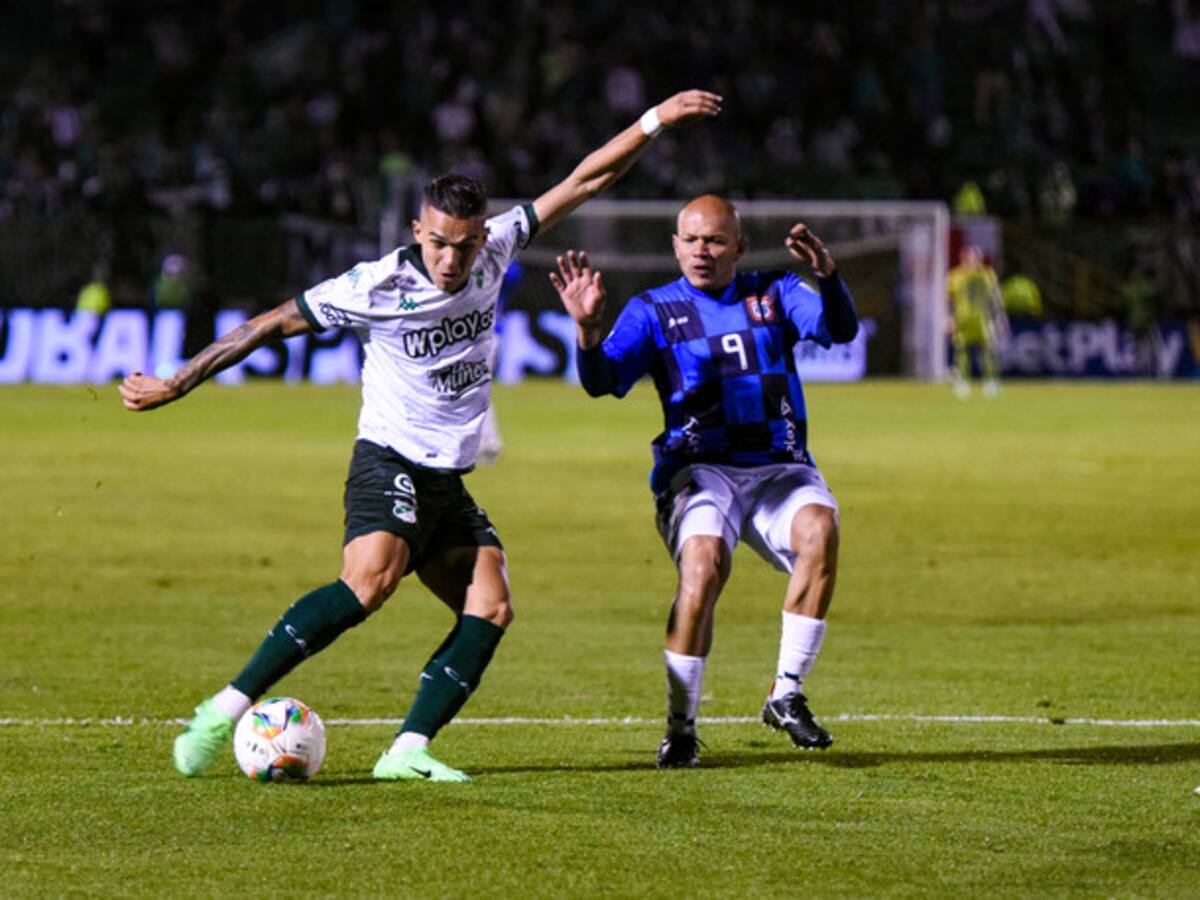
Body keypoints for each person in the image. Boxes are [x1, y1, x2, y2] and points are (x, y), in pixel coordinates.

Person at [119, 89, 723, 783]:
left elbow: (585, 179)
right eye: (438, 243)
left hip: (446, 476)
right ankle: (224, 709)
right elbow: (271, 323)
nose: (452, 259)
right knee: (369, 583)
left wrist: (653, 122)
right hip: (389, 459)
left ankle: (407, 750)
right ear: (416, 229)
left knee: (491, 605)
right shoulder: (374, 285)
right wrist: (179, 381)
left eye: (464, 245)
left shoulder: (496, 248)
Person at [549, 195, 859, 768]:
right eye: (690, 240)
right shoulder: (652, 310)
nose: (702, 251)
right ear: (674, 245)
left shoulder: (775, 293)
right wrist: (588, 334)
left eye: (715, 240)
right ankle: (681, 727)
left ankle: (786, 692)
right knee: (703, 564)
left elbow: (839, 330)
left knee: (821, 528)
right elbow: (603, 383)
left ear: (738, 247)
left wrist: (829, 276)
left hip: (779, 468)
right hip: (699, 471)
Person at [946, 245, 1008, 397]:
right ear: (962, 258)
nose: (971, 260)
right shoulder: (954, 276)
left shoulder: (987, 275)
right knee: (961, 351)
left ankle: (990, 383)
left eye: (974, 257)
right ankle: (962, 383)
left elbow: (995, 298)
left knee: (987, 351)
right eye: (968, 256)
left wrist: (1000, 317)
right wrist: (948, 318)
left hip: (982, 319)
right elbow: (949, 300)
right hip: (963, 319)